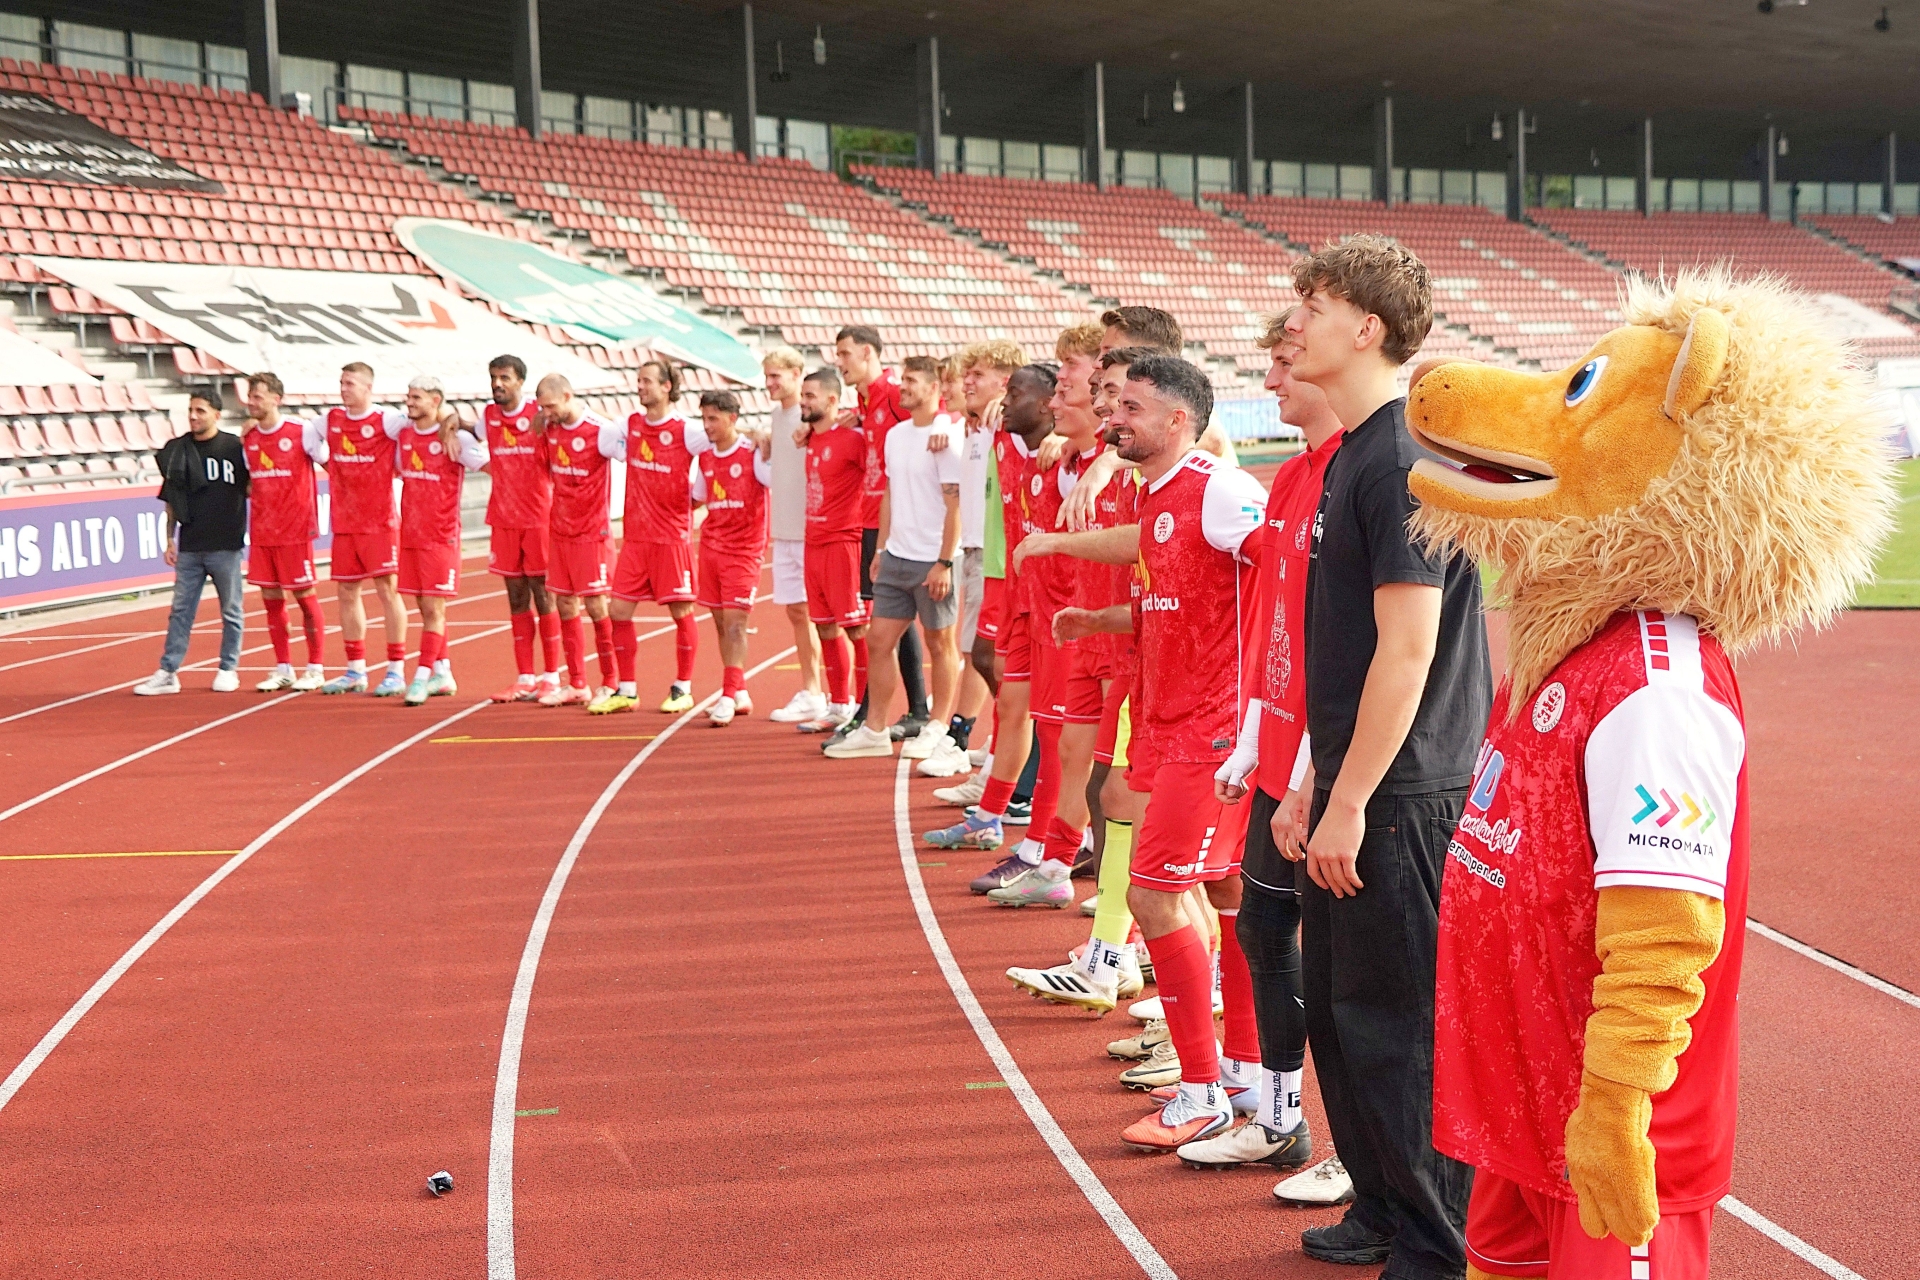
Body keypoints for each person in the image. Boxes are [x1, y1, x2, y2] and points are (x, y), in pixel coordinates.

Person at [1281, 233, 1490, 1274]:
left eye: (1311, 307)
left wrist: (1351, 798)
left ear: (1367, 328)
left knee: (1399, 1027)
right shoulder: (1358, 452)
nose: (1292, 325)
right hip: (1363, 783)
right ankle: (1381, 1203)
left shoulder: (1401, 458)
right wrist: (1313, 784)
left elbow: (1408, 652)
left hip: (1404, 796)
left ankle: (1436, 1240)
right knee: (1342, 1013)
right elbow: (1350, 652)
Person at [1019, 355, 1270, 1153]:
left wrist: (1266, 706)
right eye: (1113, 404)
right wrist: (1096, 618)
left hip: (1213, 732)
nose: (1114, 417)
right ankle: (1242, 1071)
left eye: (1131, 406)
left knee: (1156, 897)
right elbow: (1170, 582)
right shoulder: (1155, 495)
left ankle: (1201, 1092)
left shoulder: (1220, 488)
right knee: (1226, 891)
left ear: (1177, 420)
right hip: (1168, 724)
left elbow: (1288, 578)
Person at [1175, 312, 1336, 1180]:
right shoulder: (1291, 478)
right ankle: (1279, 1117)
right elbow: (1274, 627)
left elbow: (1348, 652)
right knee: (1264, 932)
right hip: (1278, 760)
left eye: (1283, 362)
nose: (1269, 380)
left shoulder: (1360, 475)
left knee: (1352, 972)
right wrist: (1250, 743)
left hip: (1329, 774)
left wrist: (1307, 772)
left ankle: (1371, 1158)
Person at [985, 324, 1110, 907]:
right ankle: (1053, 853)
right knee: (1068, 746)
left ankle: (1067, 859)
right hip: (1059, 616)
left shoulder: (1116, 458)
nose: (1057, 396)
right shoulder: (1066, 456)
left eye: (1067, 380)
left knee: (1109, 765)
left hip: (1098, 624)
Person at [922, 363, 1055, 863]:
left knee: (1057, 723)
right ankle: (992, 815)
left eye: (1014, 392)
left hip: (1051, 593)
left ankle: (1049, 841)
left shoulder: (1068, 454)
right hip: (1011, 579)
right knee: (1012, 698)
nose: (1005, 400)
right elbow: (961, 409)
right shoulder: (1003, 436)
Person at [824, 355, 964, 761]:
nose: (903, 386)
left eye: (912, 380)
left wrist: (944, 562)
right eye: (903, 379)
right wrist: (882, 549)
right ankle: (875, 730)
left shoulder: (946, 438)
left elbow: (954, 505)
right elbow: (889, 493)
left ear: (934, 388)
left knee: (940, 643)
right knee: (879, 640)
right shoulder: (897, 435)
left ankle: (937, 726)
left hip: (933, 558)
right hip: (897, 555)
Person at [932, 338, 1025, 803]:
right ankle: (1003, 757)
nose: (965, 382)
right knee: (984, 658)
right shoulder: (973, 425)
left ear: (1004, 382)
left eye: (976, 375)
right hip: (978, 552)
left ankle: (1003, 762)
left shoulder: (1008, 423)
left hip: (998, 556)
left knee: (994, 661)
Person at [831, 324, 931, 742]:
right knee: (889, 619)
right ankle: (906, 710)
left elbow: (930, 421)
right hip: (873, 517)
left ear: (868, 353)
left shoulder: (893, 394)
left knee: (895, 621)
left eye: (845, 353)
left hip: (899, 520)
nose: (839, 362)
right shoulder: (866, 399)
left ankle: (904, 711)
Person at [598, 359, 709, 715]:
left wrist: (696, 496)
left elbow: (718, 449)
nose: (640, 387)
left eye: (647, 381)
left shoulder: (686, 430)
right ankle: (627, 689)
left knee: (681, 611)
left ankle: (683, 687)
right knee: (618, 610)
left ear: (666, 386)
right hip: (636, 538)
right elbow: (600, 431)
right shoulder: (630, 424)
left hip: (670, 538)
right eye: (638, 381)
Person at [134, 389, 248, 696]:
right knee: (180, 611)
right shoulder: (177, 451)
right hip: (190, 545)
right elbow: (171, 499)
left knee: (231, 611)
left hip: (226, 544)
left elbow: (252, 487)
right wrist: (169, 538)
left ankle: (228, 668)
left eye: (200, 411)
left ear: (216, 415)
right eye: (191, 410)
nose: (193, 416)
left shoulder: (234, 448)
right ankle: (168, 671)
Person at [313, 362, 410, 696]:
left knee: (388, 590)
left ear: (368, 388)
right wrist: (329, 464)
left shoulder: (387, 420)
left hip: (380, 523)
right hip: (345, 523)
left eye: (350, 383)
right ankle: (355, 669)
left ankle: (396, 669)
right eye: (341, 383)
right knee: (346, 592)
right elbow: (304, 438)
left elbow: (420, 426)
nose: (343, 389)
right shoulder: (330, 420)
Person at [394, 375, 488, 706]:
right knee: (424, 605)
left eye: (416, 397)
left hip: (441, 537)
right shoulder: (403, 434)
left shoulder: (456, 437)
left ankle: (420, 677)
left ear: (435, 401)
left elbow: (491, 465)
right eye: (408, 396)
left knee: (435, 608)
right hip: (411, 534)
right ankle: (442, 672)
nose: (409, 402)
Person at [532, 373, 625, 707]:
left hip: (592, 533)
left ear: (568, 396)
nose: (546, 413)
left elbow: (634, 451)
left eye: (550, 406)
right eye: (542, 407)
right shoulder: (549, 428)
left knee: (597, 605)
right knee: (564, 603)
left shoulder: (600, 430)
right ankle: (577, 683)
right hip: (560, 530)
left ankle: (611, 682)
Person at [480, 354, 563, 703]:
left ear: (520, 382)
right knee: (516, 597)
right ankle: (525, 677)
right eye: (493, 378)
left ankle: (552, 677)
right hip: (503, 519)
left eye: (504, 378)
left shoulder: (540, 415)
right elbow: (468, 434)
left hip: (538, 519)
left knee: (544, 595)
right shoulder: (488, 415)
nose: (497, 384)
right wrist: (451, 420)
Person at [240, 371, 328, 692]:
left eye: (257, 396)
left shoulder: (301, 431)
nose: (251, 402)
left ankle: (316, 667)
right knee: (271, 601)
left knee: (305, 598)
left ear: (276, 399)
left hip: (295, 531)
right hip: (263, 532)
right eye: (250, 396)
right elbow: (250, 483)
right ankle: (283, 668)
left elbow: (330, 464)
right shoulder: (248, 438)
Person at [692, 390, 770, 726]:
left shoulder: (752, 451)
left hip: (744, 550)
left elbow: (774, 479)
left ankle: (725, 695)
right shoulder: (705, 458)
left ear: (732, 418)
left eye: (713, 419)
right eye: (704, 419)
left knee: (737, 623)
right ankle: (739, 691)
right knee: (722, 623)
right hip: (711, 547)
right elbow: (697, 497)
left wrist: (766, 439)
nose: (707, 425)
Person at [761, 346, 828, 725]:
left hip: (810, 528)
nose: (769, 383)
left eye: (776, 376)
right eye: (767, 376)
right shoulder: (776, 416)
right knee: (797, 612)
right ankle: (812, 691)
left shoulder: (812, 416)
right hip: (785, 529)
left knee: (824, 615)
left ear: (796, 373)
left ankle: (841, 695)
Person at [798, 367, 867, 728]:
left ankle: (867, 711)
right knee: (824, 626)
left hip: (844, 542)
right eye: (803, 395)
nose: (803, 402)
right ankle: (840, 705)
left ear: (832, 400)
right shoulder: (811, 437)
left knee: (857, 628)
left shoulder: (853, 439)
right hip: (814, 543)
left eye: (810, 396)